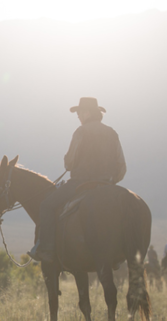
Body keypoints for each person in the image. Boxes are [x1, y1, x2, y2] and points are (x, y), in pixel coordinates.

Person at [28, 97, 126, 263]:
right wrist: (110, 181)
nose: (78, 117)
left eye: (79, 113)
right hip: (107, 184)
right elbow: (121, 166)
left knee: (46, 205)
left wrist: (69, 161)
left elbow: (70, 163)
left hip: (80, 183)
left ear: (87, 113)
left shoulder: (81, 132)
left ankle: (47, 249)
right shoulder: (112, 133)